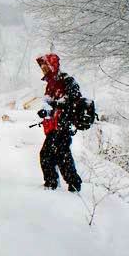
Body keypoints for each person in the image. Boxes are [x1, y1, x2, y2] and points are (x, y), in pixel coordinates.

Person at [36, 53, 83, 192]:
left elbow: (72, 101)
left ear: (53, 66)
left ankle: (52, 185)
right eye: (42, 68)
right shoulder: (51, 84)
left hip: (62, 126)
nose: (44, 70)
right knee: (61, 155)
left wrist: (55, 107)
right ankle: (72, 185)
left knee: (48, 155)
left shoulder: (67, 81)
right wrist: (46, 111)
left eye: (46, 67)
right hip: (54, 126)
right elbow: (50, 103)